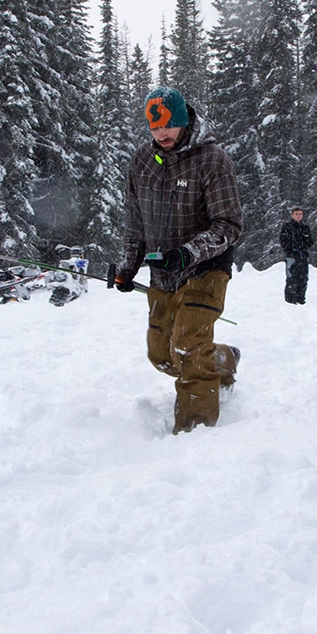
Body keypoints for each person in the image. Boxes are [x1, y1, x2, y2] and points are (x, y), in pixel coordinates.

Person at [114, 87, 243, 435]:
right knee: (163, 355)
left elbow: (228, 225)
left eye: (168, 127)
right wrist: (127, 266)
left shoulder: (212, 160)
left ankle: (194, 434)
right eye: (155, 129)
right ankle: (223, 358)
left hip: (205, 268)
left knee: (187, 346)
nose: (162, 135)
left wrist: (188, 252)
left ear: (183, 122)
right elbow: (134, 221)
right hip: (163, 272)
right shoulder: (142, 161)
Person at [279, 206, 313, 304]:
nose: (298, 216)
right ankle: (290, 300)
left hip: (303, 256)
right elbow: (283, 242)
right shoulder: (287, 227)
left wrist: (304, 243)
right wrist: (293, 246)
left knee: (303, 278)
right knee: (292, 278)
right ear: (292, 215)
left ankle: (301, 298)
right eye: (296, 214)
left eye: (300, 214)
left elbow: (310, 241)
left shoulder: (305, 227)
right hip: (292, 256)